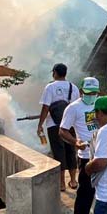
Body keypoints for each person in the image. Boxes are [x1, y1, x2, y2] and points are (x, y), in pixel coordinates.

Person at [59, 77, 101, 214]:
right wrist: (75, 142)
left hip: (104, 155)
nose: (92, 96)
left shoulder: (102, 104)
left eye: (94, 93)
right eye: (88, 93)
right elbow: (62, 131)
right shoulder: (73, 108)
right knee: (85, 196)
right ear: (82, 91)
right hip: (86, 158)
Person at [37, 63, 80, 192]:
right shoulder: (74, 87)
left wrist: (40, 125)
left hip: (54, 125)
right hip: (70, 125)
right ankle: (73, 180)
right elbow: (77, 107)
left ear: (55, 72)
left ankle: (61, 183)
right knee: (71, 151)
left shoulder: (50, 87)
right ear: (65, 73)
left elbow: (45, 108)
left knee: (58, 153)